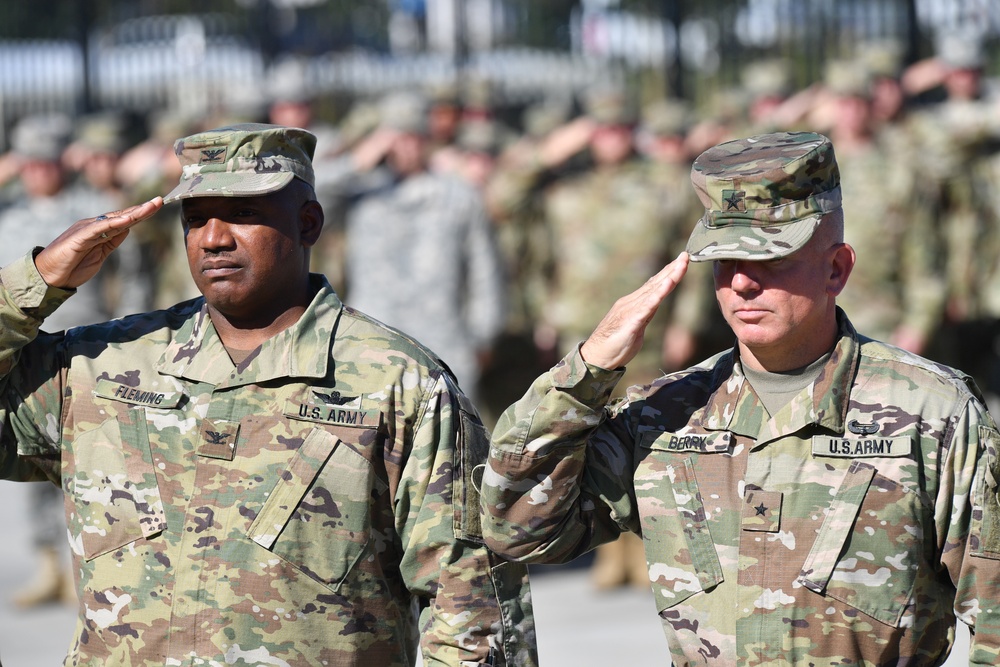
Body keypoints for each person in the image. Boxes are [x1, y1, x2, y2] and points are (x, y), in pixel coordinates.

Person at [0, 123, 536, 666]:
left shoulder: (397, 383)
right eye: (195, 219)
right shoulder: (103, 367)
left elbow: (472, 606)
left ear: (308, 223)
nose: (213, 238)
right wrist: (34, 283)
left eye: (243, 214)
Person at [481, 131, 1000, 665]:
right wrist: (584, 373)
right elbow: (516, 527)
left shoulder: (931, 412)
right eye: (726, 260)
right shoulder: (670, 416)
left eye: (772, 259)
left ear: (836, 269)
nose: (743, 283)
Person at [319, 92, 507, 404]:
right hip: (370, 342)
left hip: (442, 344)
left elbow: (485, 270)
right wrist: (354, 162)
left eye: (414, 137)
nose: (407, 147)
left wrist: (483, 335)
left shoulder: (458, 195)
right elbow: (307, 203)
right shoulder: (361, 192)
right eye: (398, 138)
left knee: (450, 445)